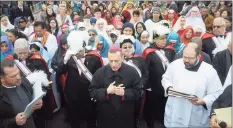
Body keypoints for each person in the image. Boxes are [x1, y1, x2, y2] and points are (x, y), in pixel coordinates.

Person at [161, 43, 223, 127]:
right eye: (184, 57)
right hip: (174, 112)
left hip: (195, 116)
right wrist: (168, 87)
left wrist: (204, 101)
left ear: (198, 56)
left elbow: (217, 93)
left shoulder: (209, 71)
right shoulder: (175, 65)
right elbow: (165, 78)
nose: (186, 60)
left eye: (190, 58)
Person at [56, 31, 103, 128]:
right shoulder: (69, 57)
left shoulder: (94, 57)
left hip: (89, 92)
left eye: (78, 50)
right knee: (75, 118)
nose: (76, 53)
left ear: (83, 47)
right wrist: (64, 61)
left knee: (91, 118)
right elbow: (59, 72)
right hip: (73, 92)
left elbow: (98, 77)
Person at [89, 46, 142, 128]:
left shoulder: (132, 72)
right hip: (105, 116)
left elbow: (139, 92)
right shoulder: (100, 72)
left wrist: (125, 93)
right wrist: (106, 91)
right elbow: (92, 91)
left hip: (125, 116)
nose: (113, 64)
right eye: (111, 61)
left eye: (116, 61)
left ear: (122, 58)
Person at [142, 25, 175, 128]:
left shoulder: (170, 50)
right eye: (161, 39)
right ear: (155, 39)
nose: (164, 41)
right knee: (152, 105)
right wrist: (147, 86)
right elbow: (145, 70)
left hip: (167, 83)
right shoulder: (148, 52)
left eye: (165, 39)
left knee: (165, 103)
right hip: (154, 84)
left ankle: (162, 119)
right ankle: (150, 122)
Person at [0, 59, 43, 128]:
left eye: (18, 73)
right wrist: (14, 121)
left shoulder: (24, 81)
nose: (18, 77)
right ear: (2, 78)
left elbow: (32, 95)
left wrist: (38, 102)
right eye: (13, 76)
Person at [118, 35, 149, 127]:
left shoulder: (140, 59)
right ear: (121, 49)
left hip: (137, 90)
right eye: (125, 47)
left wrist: (140, 85)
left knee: (136, 109)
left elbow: (145, 74)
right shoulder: (118, 61)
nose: (128, 49)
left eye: (130, 47)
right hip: (124, 91)